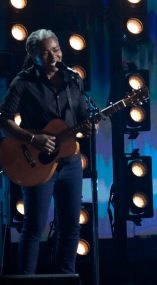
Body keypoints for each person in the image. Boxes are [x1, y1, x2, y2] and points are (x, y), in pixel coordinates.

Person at [0, 29, 89, 274]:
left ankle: (66, 276)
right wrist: (33, 138)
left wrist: (91, 124)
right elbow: (4, 120)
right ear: (33, 55)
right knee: (34, 228)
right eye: (45, 52)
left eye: (56, 49)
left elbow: (82, 115)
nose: (53, 56)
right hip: (36, 163)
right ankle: (26, 280)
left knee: (71, 227)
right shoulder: (23, 82)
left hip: (70, 162)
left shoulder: (73, 79)